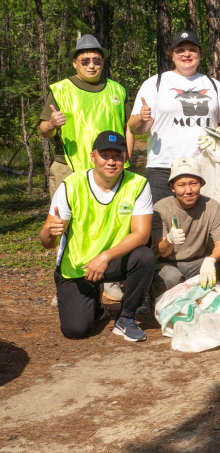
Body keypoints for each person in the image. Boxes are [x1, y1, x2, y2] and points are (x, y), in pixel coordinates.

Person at [41, 131, 154, 341]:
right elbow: (47, 242)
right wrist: (51, 232)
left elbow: (141, 234)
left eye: (118, 156)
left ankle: (126, 317)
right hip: (77, 266)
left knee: (144, 256)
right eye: (104, 155)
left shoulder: (138, 185)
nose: (111, 161)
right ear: (92, 157)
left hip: (111, 261)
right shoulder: (71, 185)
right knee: (75, 330)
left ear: (126, 158)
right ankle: (97, 306)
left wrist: (105, 256)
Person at [129, 29, 220, 205]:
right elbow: (135, 128)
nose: (186, 54)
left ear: (200, 54)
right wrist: (141, 118)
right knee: (160, 224)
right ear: (172, 55)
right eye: (180, 50)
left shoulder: (214, 85)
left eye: (192, 49)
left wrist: (219, 132)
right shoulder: (155, 83)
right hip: (163, 166)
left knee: (203, 225)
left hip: (205, 165)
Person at [40, 34, 130, 196]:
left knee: (107, 219)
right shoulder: (61, 90)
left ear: (102, 63)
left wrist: (125, 159)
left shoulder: (117, 90)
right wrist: (52, 124)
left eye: (96, 61)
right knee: (63, 219)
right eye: (85, 61)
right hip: (68, 166)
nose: (91, 66)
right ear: (74, 63)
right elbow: (44, 130)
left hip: (109, 167)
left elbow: (128, 127)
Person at [152, 156, 220, 293]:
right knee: (170, 277)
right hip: (168, 264)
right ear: (172, 187)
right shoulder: (160, 209)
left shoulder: (211, 206)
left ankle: (209, 295)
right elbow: (162, 251)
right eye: (181, 185)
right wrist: (169, 240)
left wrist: (210, 260)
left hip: (199, 262)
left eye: (193, 183)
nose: (188, 190)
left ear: (201, 184)